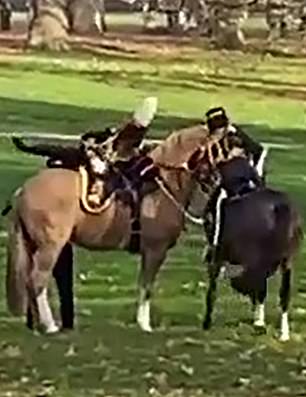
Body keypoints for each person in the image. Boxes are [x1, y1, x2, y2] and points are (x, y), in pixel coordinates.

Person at [202, 106, 267, 260]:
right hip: (236, 171)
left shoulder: (236, 135)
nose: (214, 136)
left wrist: (254, 173)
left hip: (247, 172)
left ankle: (215, 243)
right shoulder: (218, 138)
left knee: (214, 207)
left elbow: (257, 151)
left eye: (216, 132)